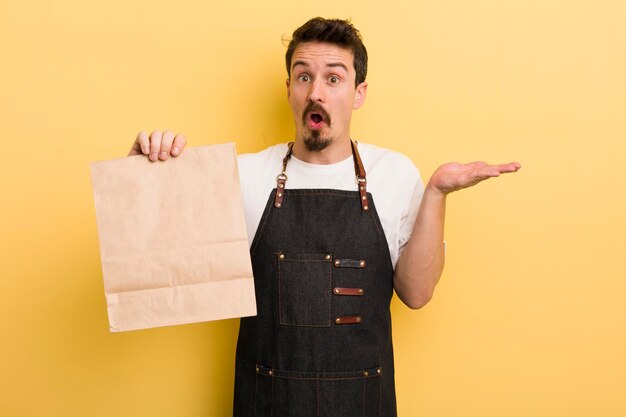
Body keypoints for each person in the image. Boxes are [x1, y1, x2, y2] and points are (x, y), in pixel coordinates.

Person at [128, 17, 520, 417]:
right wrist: (142, 173)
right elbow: (155, 265)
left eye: (333, 79)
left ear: (358, 93)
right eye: (303, 77)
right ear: (288, 90)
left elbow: (416, 294)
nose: (316, 93)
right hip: (267, 402)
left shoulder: (395, 174)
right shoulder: (243, 174)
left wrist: (436, 193)